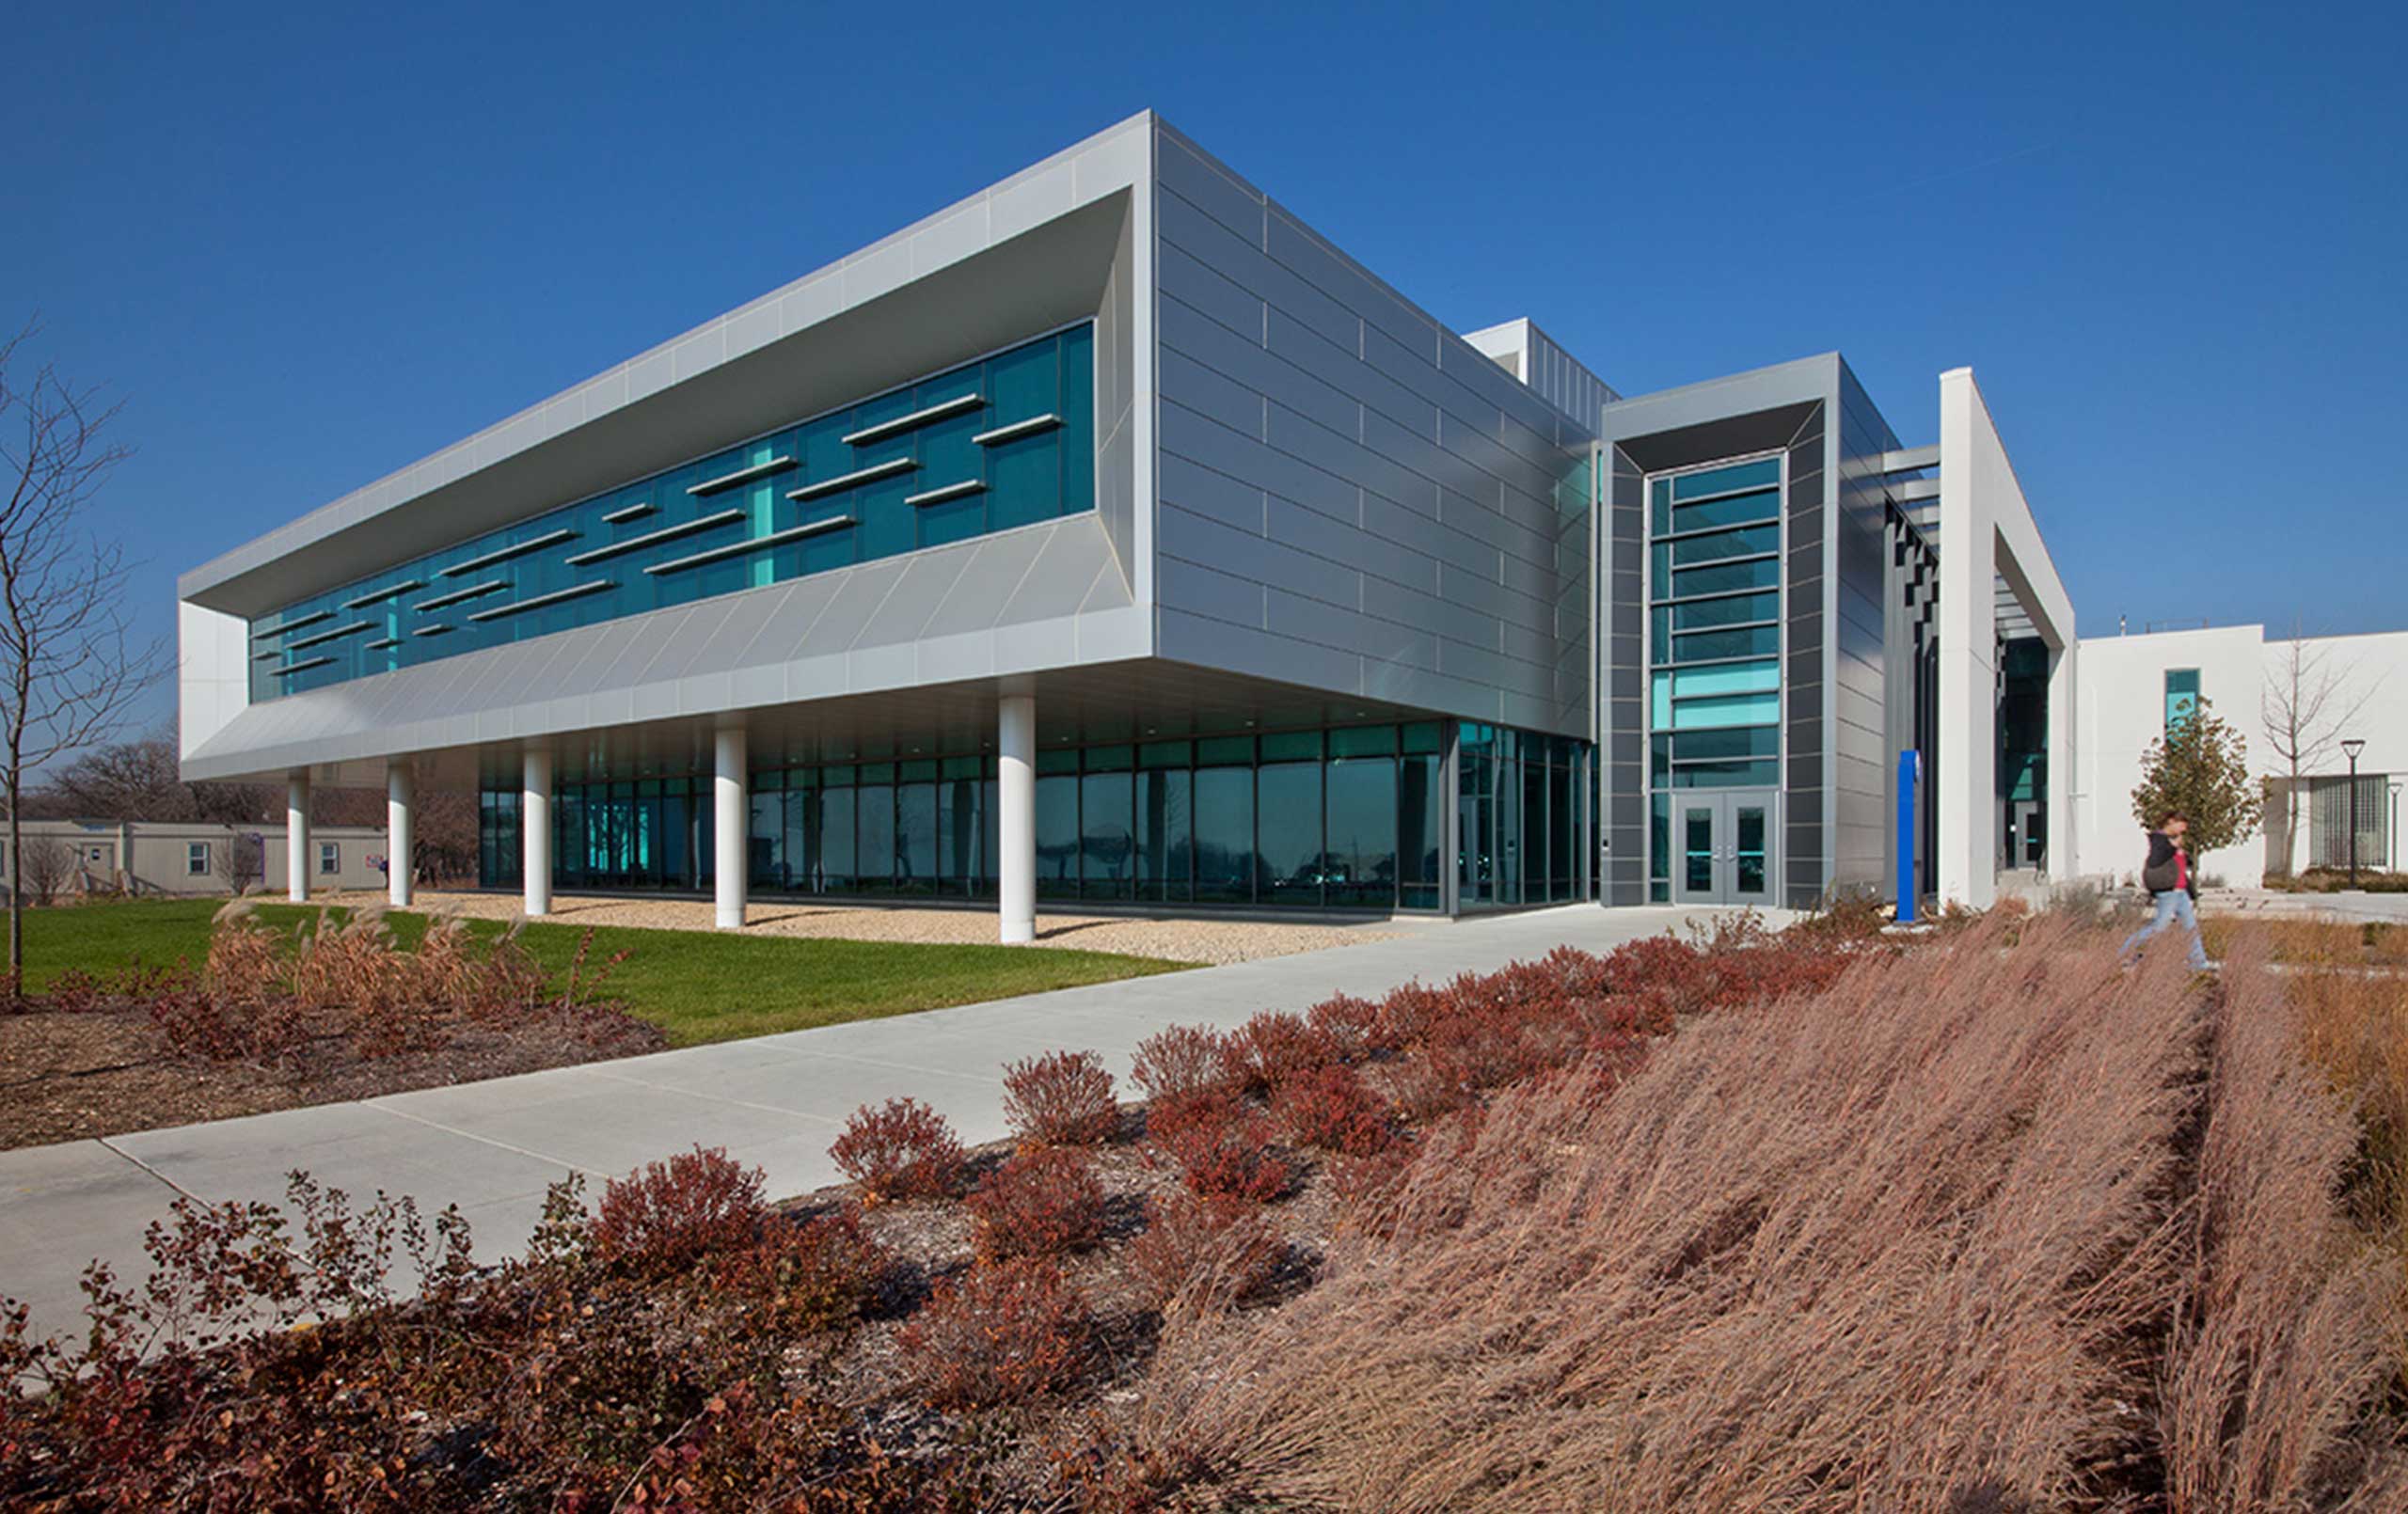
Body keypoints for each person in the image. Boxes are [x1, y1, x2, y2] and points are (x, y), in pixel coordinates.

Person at [2119, 810, 2209, 970]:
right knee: (2160, 926)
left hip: (2180, 892)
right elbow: (2156, 860)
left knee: (2190, 927)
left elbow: (2184, 865)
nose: (2183, 831)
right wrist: (2173, 848)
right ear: (2171, 821)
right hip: (2168, 892)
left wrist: (2183, 854)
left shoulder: (2171, 842)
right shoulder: (2159, 839)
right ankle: (2123, 951)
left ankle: (2199, 962)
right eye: (2181, 826)